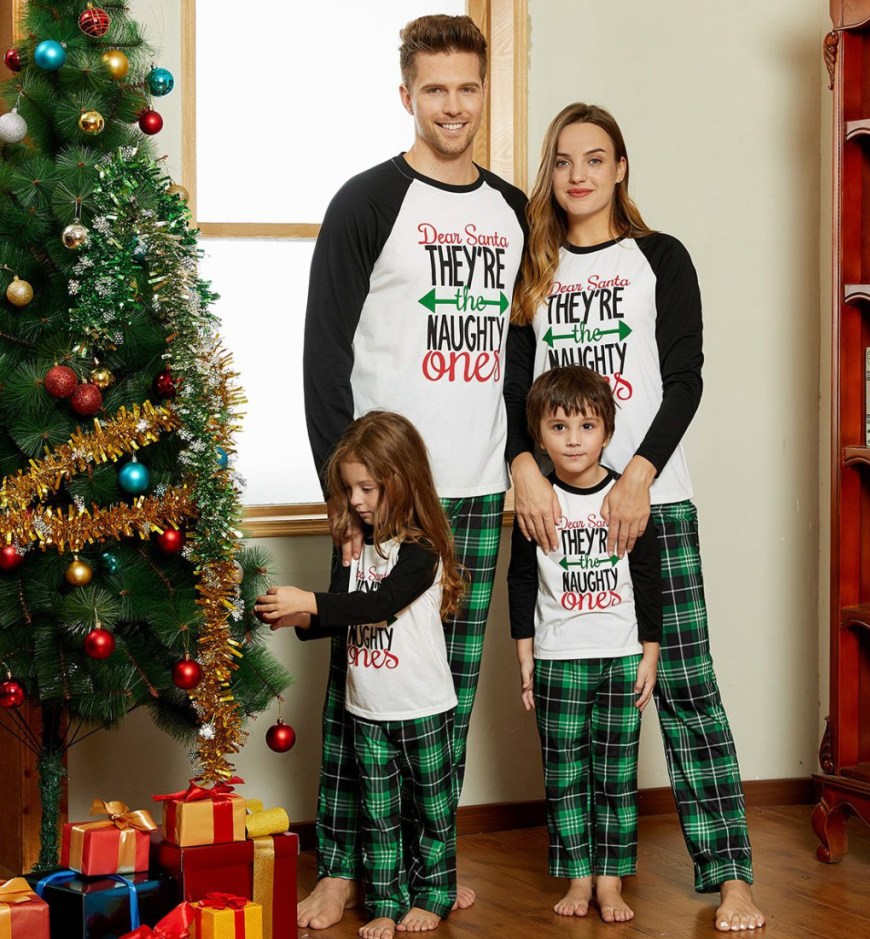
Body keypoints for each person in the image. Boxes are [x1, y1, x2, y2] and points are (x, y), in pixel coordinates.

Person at [503, 103, 767, 932]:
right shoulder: (533, 269)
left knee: (688, 690)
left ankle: (731, 875)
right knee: (570, 695)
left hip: (652, 499)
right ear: (549, 175)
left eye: (595, 158)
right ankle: (584, 872)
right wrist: (523, 467)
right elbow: (514, 390)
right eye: (561, 161)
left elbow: (684, 377)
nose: (577, 174)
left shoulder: (661, 258)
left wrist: (639, 475)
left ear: (621, 168)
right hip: (558, 508)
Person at [300, 13, 527, 930]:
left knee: (442, 696)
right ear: (407, 95)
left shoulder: (514, 209)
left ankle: (429, 868)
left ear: (484, 92)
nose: (453, 106)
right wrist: (343, 494)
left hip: (473, 486)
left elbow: (521, 351)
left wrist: (522, 460)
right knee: (363, 685)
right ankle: (344, 867)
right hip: (385, 493)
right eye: (434, 89)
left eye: (467, 88)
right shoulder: (366, 201)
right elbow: (324, 352)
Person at [256, 411, 464, 939]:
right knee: (378, 816)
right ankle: (385, 902)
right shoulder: (356, 546)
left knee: (432, 811)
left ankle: (435, 894)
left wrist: (310, 599)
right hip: (367, 707)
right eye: (349, 489)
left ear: (403, 478)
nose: (356, 501)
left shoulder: (421, 550)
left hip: (421, 706)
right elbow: (345, 611)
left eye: (367, 487)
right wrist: (295, 614)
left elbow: (382, 604)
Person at [508, 365, 661, 923]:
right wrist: (524, 656)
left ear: (607, 431)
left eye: (587, 426)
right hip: (556, 659)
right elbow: (521, 581)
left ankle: (610, 879)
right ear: (539, 434)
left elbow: (648, 577)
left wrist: (651, 650)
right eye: (558, 426)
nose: (573, 439)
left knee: (617, 775)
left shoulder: (624, 497)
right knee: (565, 774)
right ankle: (577, 877)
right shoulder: (536, 500)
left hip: (621, 655)